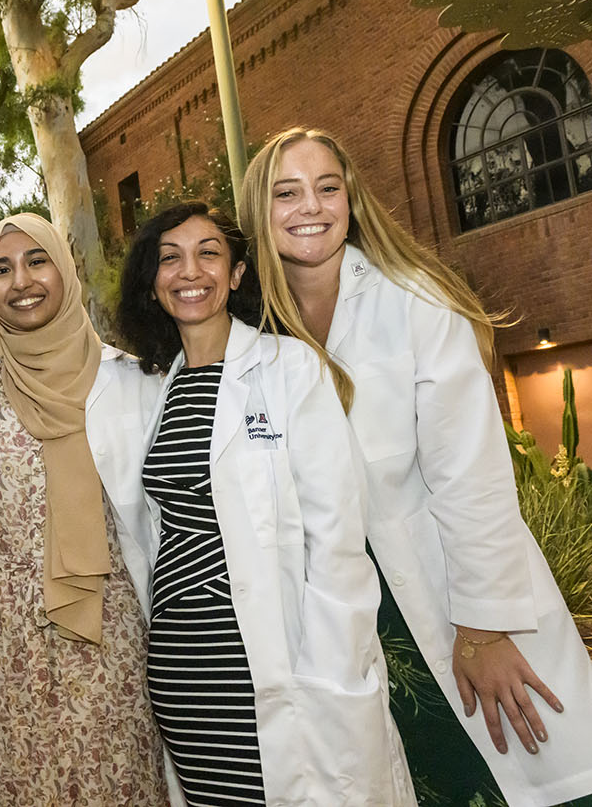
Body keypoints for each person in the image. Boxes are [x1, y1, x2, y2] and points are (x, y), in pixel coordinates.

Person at [241, 126, 592, 807]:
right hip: (351, 624)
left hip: (450, 598)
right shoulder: (255, 335)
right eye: (286, 192)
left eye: (327, 187)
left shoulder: (415, 301)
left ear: (352, 201)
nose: (309, 206)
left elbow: (473, 479)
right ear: (260, 209)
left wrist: (484, 628)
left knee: (523, 773)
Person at [117, 201, 413, 806]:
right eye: (169, 258)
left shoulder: (289, 368)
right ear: (152, 283)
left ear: (238, 274)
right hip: (182, 663)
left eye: (208, 254)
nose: (189, 271)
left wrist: (333, 662)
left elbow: (337, 531)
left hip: (277, 656)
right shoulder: (155, 388)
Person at [0, 212, 167, 806]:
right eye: (1, 269)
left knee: (123, 785)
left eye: (37, 261)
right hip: (3, 649)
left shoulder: (134, 382)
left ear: (64, 270)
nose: (22, 282)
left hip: (111, 640)